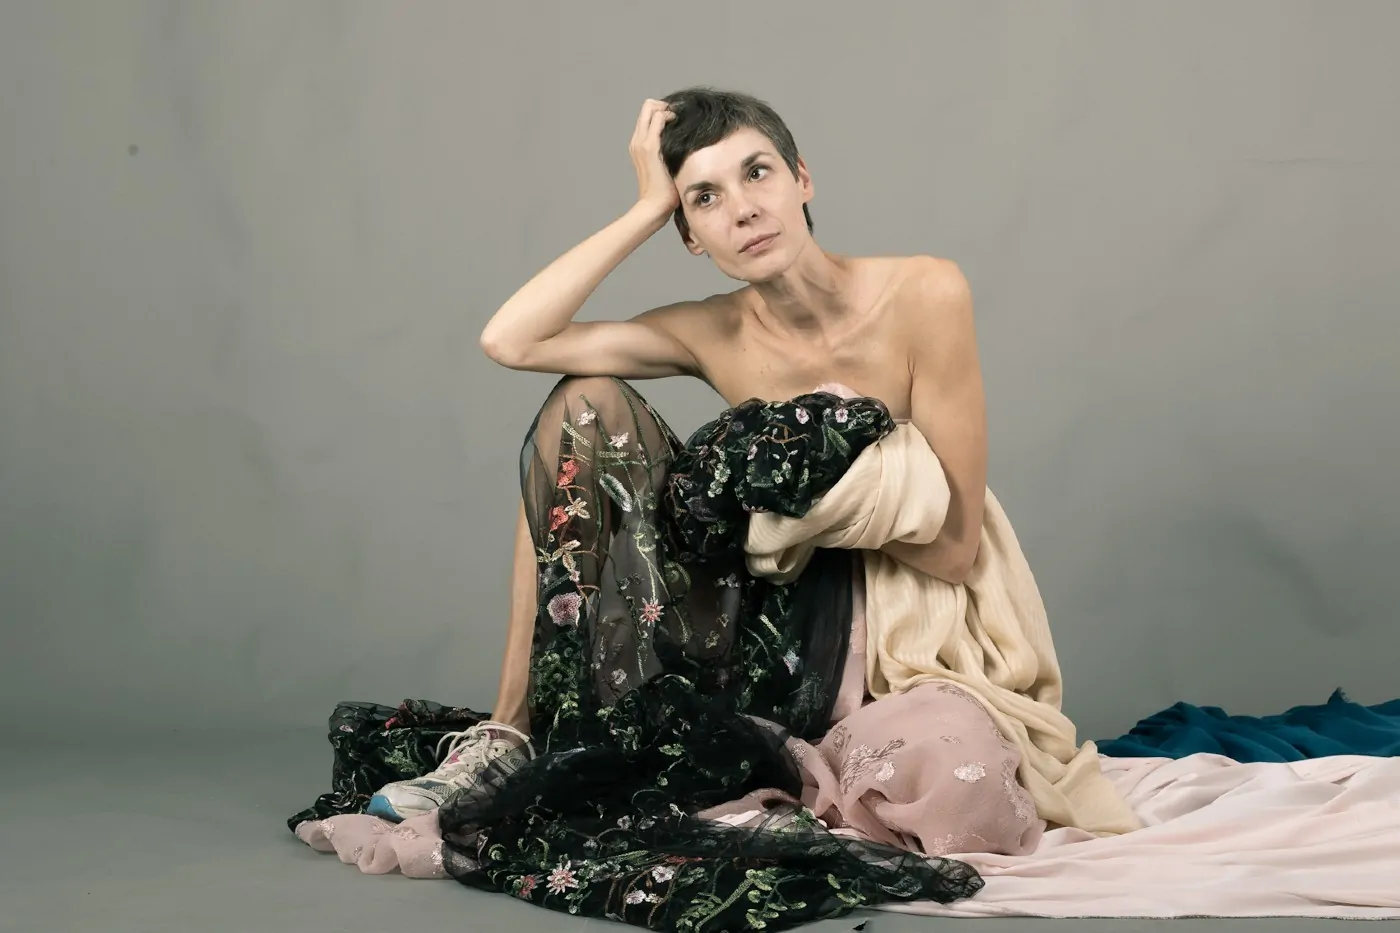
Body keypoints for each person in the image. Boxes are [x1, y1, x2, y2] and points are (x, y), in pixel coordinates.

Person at [367, 87, 1001, 835]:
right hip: (750, 611)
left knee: (951, 785)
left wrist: (786, 515)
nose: (743, 210)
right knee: (584, 402)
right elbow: (512, 340)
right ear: (691, 236)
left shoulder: (924, 290)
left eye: (757, 173)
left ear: (802, 178)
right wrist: (645, 209)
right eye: (705, 198)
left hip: (880, 619)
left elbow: (954, 549)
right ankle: (508, 735)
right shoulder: (711, 331)